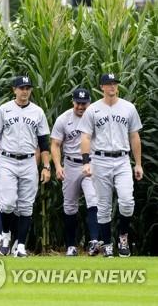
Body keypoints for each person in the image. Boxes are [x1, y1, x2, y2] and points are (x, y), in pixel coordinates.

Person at [78, 73, 143, 258]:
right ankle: (107, 244)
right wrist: (86, 162)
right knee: (104, 206)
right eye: (108, 83)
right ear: (101, 87)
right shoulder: (93, 110)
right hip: (100, 160)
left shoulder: (128, 108)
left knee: (127, 202)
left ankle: (123, 237)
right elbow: (86, 137)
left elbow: (134, 136)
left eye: (115, 83)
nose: (112, 86)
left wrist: (138, 164)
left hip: (122, 159)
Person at [0, 76, 51, 257]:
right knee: (6, 204)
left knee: (25, 207)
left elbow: (44, 142)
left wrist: (46, 166)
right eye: (21, 88)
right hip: (6, 160)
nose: (25, 91)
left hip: (29, 160)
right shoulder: (4, 109)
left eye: (28, 88)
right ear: (14, 90)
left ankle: (20, 246)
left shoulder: (37, 112)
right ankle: (6, 234)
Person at [51, 88, 100, 256]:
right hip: (71, 164)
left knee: (93, 200)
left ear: (89, 102)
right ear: (73, 102)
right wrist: (58, 166)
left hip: (91, 164)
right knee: (70, 206)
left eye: (84, 103)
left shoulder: (95, 117)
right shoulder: (63, 119)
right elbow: (55, 144)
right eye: (78, 103)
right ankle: (71, 246)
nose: (81, 107)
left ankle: (94, 242)